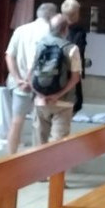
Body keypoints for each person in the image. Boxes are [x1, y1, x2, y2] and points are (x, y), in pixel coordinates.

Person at [4, 1, 57, 154]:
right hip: (42, 85)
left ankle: (10, 157)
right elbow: (38, 59)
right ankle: (37, 161)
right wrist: (31, 80)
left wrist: (18, 79)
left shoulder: (21, 30)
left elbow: (9, 56)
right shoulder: (51, 32)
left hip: (20, 84)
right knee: (40, 124)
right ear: (53, 16)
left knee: (16, 121)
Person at [32, 14, 82, 145]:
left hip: (41, 101)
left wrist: (41, 95)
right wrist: (57, 95)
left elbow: (30, 74)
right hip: (63, 103)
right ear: (65, 29)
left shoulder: (39, 45)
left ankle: (39, 159)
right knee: (58, 144)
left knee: (39, 143)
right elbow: (75, 78)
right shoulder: (72, 48)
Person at [62, 0, 88, 114]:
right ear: (76, 14)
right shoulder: (78, 32)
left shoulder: (55, 27)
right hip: (72, 70)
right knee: (75, 101)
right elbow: (79, 51)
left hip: (56, 70)